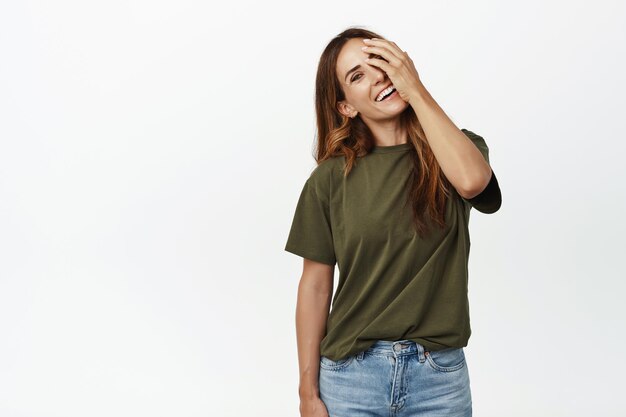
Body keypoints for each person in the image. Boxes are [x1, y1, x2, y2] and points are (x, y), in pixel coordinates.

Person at [284, 27, 502, 417]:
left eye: (380, 63)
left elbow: (472, 182)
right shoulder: (330, 179)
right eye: (357, 76)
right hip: (351, 379)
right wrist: (307, 391)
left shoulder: (454, 151)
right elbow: (315, 286)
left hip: (439, 378)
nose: (378, 77)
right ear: (346, 107)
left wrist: (415, 89)